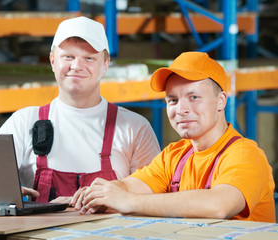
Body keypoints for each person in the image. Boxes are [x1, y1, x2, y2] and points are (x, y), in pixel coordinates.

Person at [72, 51, 276, 223]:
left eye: (194, 97)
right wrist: (98, 194)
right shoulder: (175, 156)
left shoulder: (245, 155)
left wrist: (129, 202)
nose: (181, 110)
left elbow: (219, 205)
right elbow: (130, 186)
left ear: (220, 101)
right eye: (173, 100)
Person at [0, 16, 160, 203]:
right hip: (36, 233)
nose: (76, 66)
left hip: (110, 232)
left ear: (105, 64)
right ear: (52, 60)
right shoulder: (23, 122)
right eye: (68, 57)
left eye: (89, 58)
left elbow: (152, 196)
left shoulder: (135, 128)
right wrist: (8, 195)